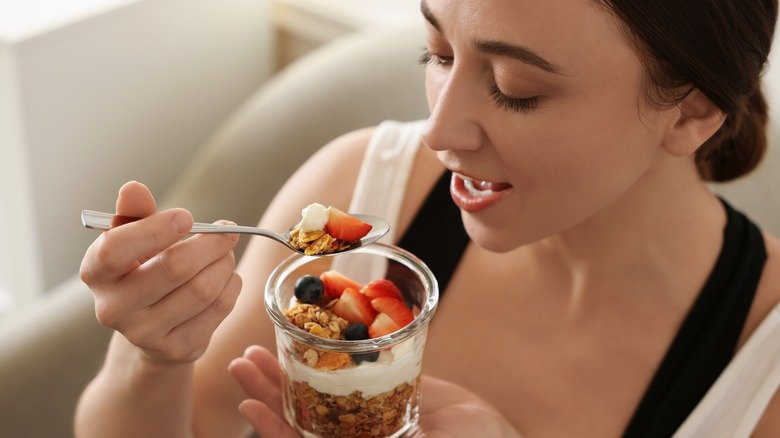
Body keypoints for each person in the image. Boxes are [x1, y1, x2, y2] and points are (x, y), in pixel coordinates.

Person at [74, 0, 780, 436]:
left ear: (689, 111)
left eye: (514, 90)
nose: (441, 133)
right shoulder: (361, 187)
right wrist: (150, 355)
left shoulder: (763, 367)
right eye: (438, 53)